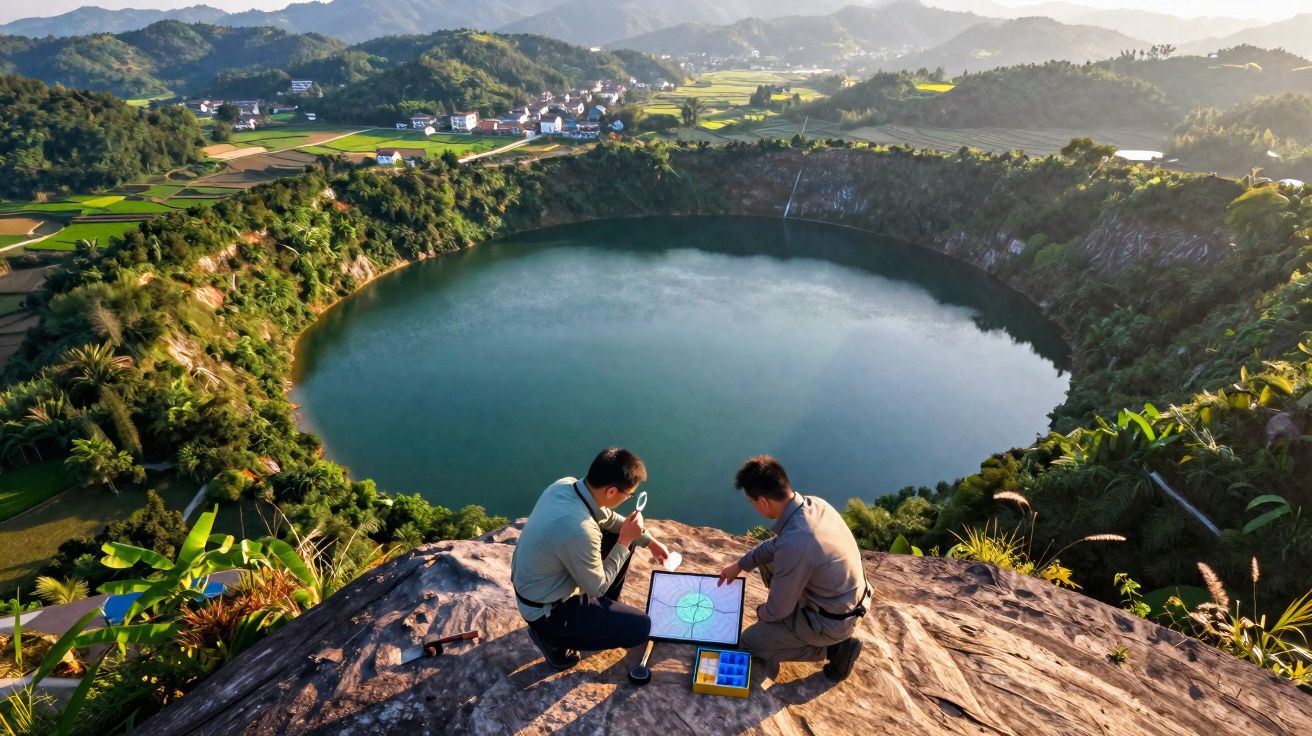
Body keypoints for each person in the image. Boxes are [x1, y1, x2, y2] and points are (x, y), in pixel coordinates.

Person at [511, 447, 671, 670]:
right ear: (612, 491)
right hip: (546, 611)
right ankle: (551, 639)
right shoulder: (580, 530)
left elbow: (609, 519)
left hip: (537, 586)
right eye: (629, 495)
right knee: (641, 628)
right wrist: (624, 541)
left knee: (623, 535)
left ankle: (601, 611)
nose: (628, 499)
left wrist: (648, 541)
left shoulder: (565, 485)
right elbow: (597, 587)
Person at [717, 455, 870, 682]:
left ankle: (836, 649)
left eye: (751, 502)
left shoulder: (797, 542)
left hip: (832, 622)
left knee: (748, 643)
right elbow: (776, 546)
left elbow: (775, 611)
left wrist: (762, 612)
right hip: (846, 599)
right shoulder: (815, 505)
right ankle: (792, 622)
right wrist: (739, 565)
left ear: (763, 502)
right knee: (767, 559)